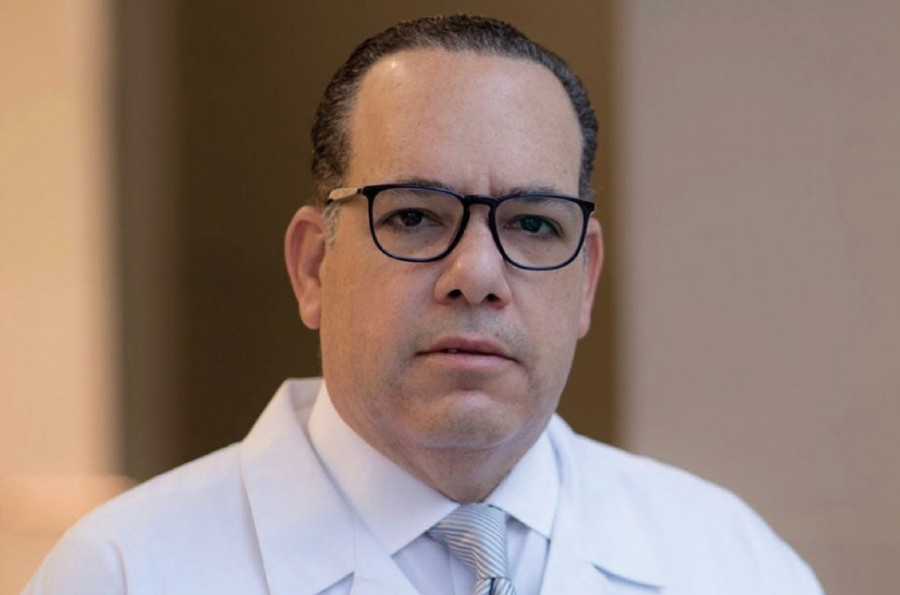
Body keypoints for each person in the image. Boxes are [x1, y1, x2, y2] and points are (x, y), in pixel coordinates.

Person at [26, 14, 824, 594]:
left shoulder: (733, 563)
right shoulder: (124, 572)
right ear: (313, 267)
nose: (476, 273)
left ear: (584, 281)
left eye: (533, 224)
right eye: (414, 215)